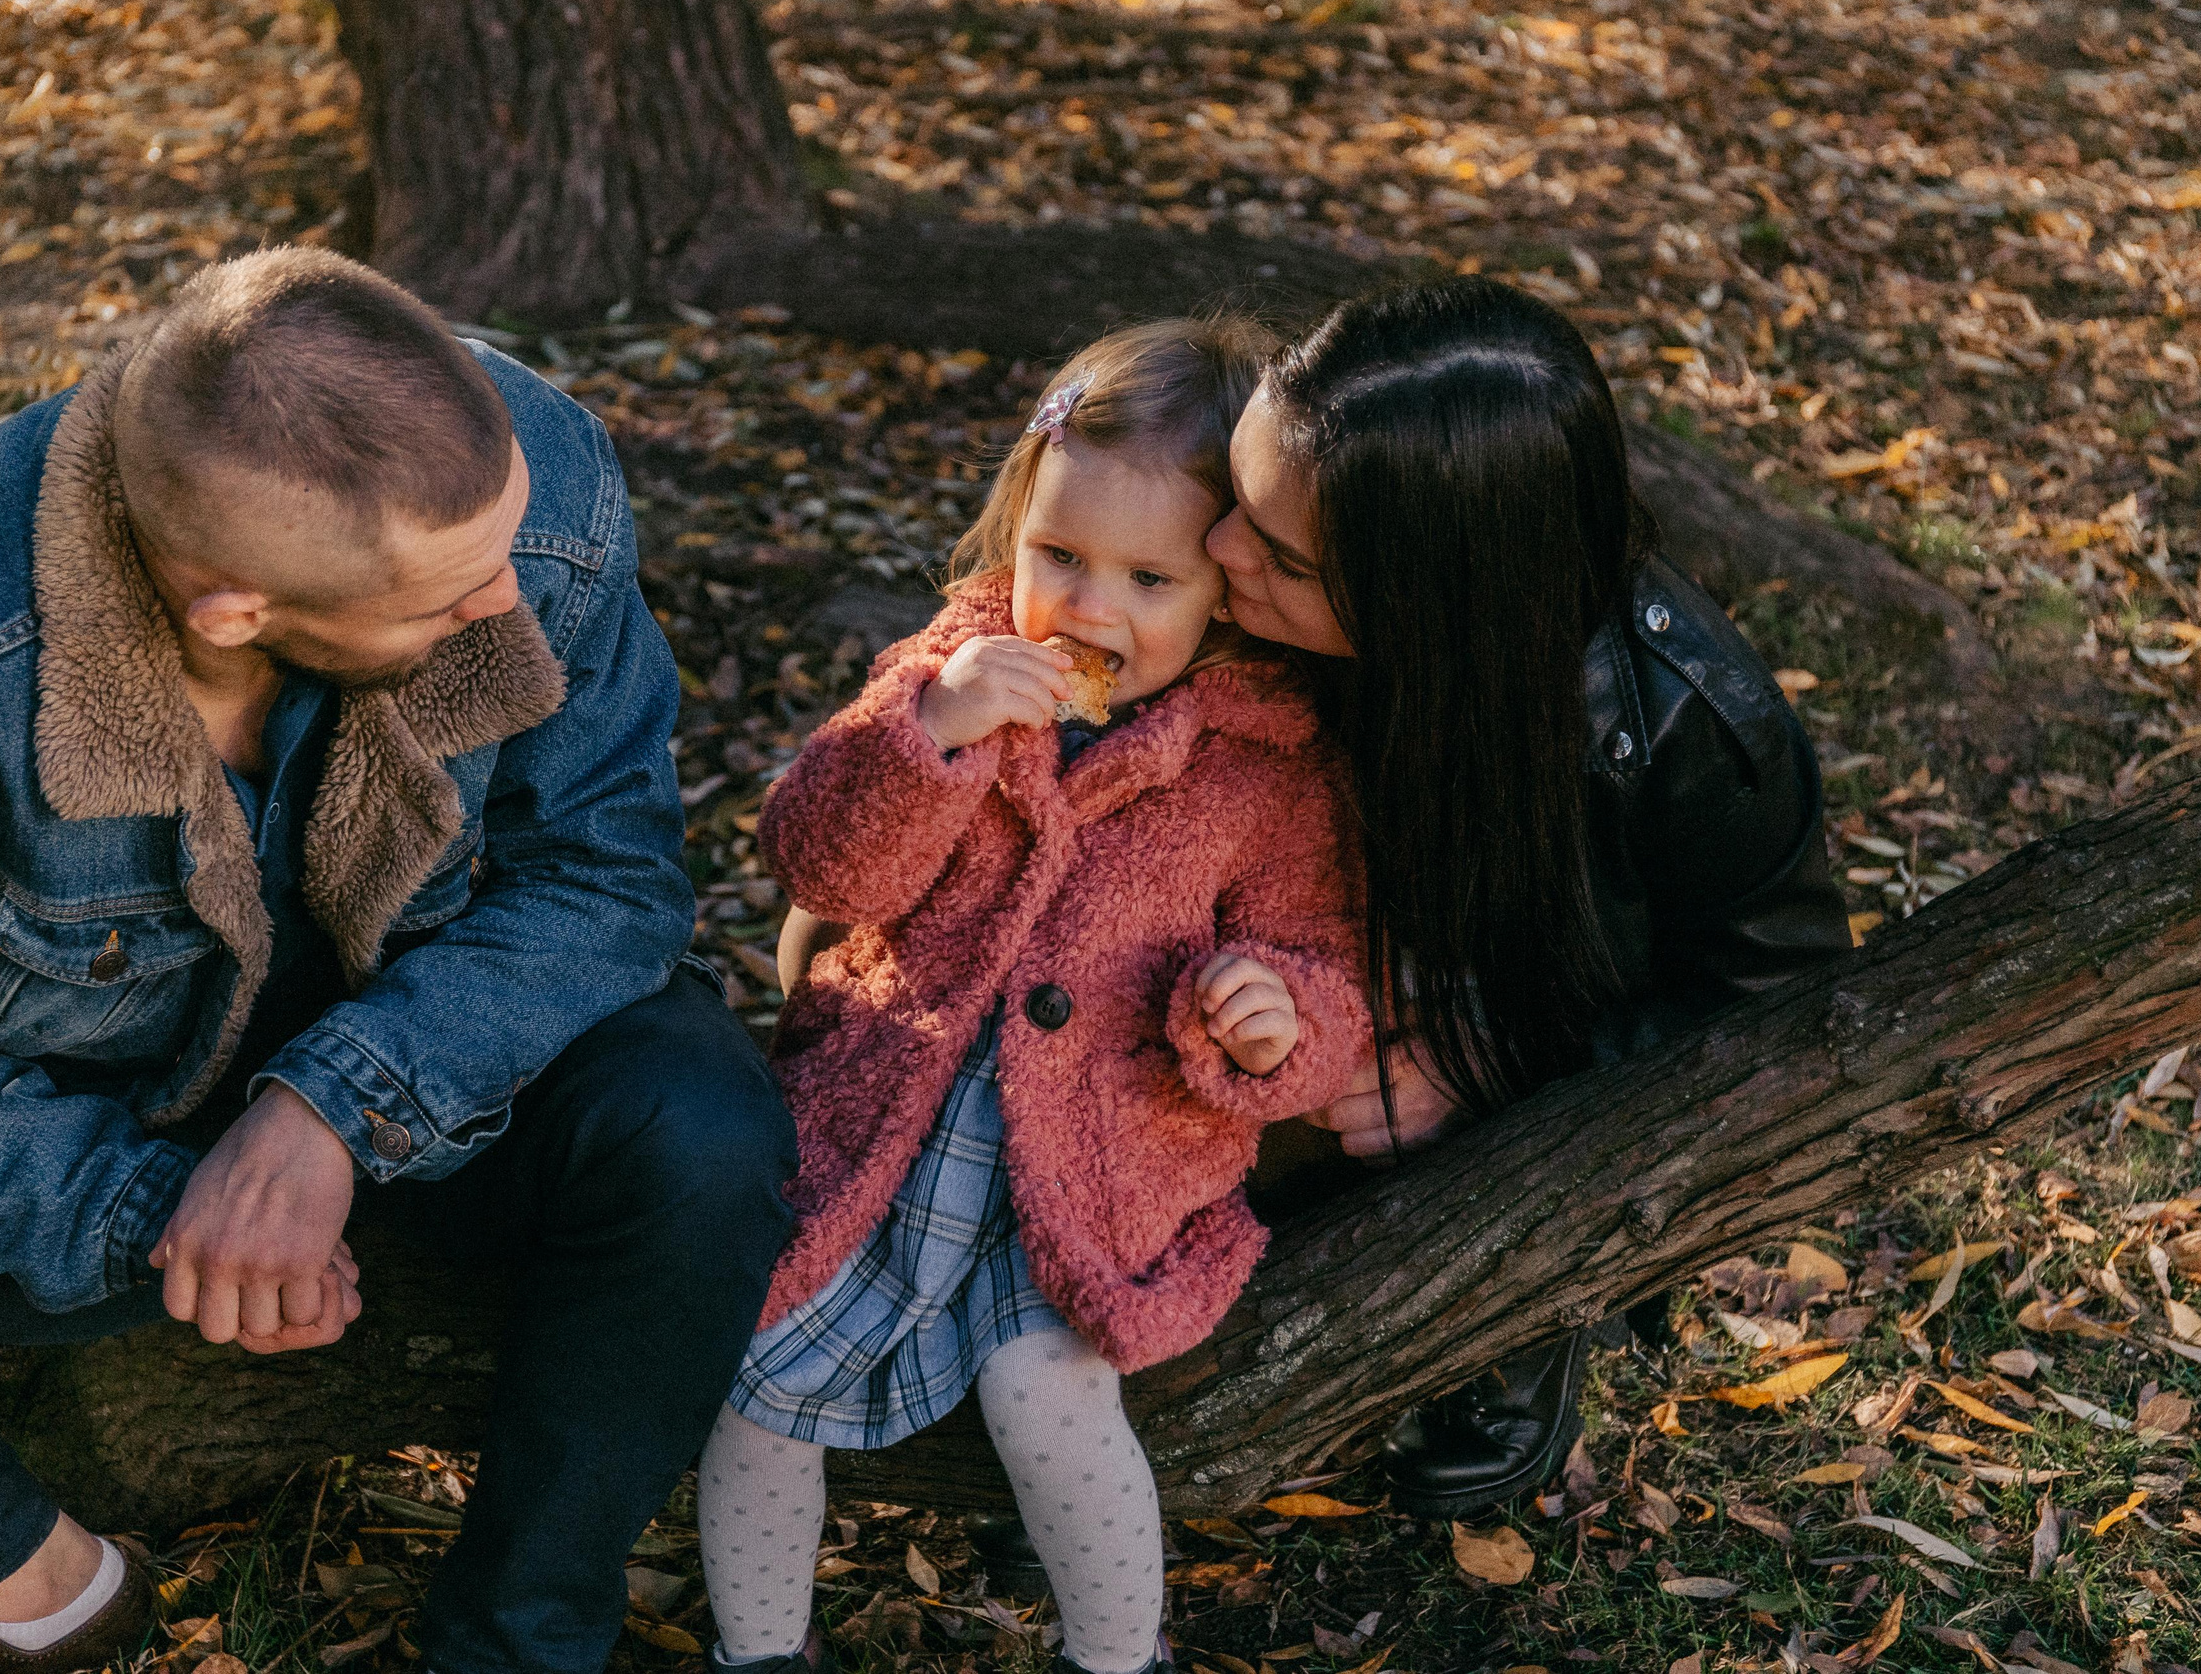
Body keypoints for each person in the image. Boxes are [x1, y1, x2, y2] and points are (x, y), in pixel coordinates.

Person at [0, 248, 794, 1674]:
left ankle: (519, 1637)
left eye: (504, 556)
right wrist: (166, 1212)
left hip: (445, 1087)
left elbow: (604, 873)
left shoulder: (521, 484)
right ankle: (31, 1584)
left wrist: (331, 1108)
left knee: (705, 1123)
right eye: (445, 600)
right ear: (232, 609)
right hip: (107, 1132)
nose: (505, 606)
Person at [699, 321, 1368, 1674]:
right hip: (894, 1126)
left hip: (1099, 1160)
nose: (1090, 609)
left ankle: (1119, 1653)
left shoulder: (1265, 765)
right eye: (1059, 554)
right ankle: (761, 1647)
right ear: (1018, 523)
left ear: (1225, 590)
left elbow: (1321, 966)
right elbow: (819, 856)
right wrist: (927, 737)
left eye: (1148, 576)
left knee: (1047, 1392)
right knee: (757, 1375)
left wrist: (1271, 1017)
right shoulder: (950, 671)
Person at [1201, 276, 1852, 1518]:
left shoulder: (1684, 729)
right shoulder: (1259, 582)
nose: (1222, 551)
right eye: (1232, 499)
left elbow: (1778, 1013)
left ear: (1429, 603)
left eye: (1278, 554)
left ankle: (1509, 1314)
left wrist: (1491, 1074)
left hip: (1511, 1047)